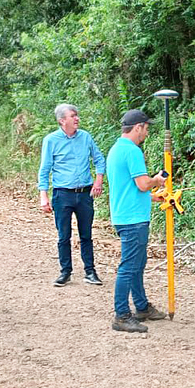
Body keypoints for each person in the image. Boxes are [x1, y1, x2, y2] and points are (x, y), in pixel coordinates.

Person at [105, 109, 169, 333]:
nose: (147, 132)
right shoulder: (132, 151)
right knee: (129, 267)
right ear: (138, 127)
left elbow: (130, 188)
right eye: (146, 128)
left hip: (127, 215)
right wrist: (158, 181)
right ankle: (122, 315)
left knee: (137, 265)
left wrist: (153, 197)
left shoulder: (116, 149)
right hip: (133, 219)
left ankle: (141, 307)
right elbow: (142, 183)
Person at [37, 103, 107, 287]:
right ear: (62, 121)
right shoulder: (51, 140)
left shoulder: (85, 137)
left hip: (84, 193)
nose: (77, 119)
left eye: (77, 115)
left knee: (86, 235)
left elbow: (99, 159)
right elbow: (44, 169)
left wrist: (99, 180)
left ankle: (90, 272)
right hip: (62, 194)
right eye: (73, 116)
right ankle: (65, 272)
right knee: (63, 235)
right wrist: (43, 196)